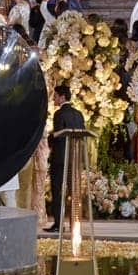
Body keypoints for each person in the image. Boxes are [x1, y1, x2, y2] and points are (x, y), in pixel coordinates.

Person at [46, 84, 85, 233]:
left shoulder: (59, 114)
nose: (54, 99)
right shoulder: (79, 114)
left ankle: (58, 224)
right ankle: (75, 223)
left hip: (60, 159)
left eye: (55, 96)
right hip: (75, 159)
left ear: (62, 97)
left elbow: (58, 136)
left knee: (58, 191)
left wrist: (50, 138)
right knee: (74, 192)